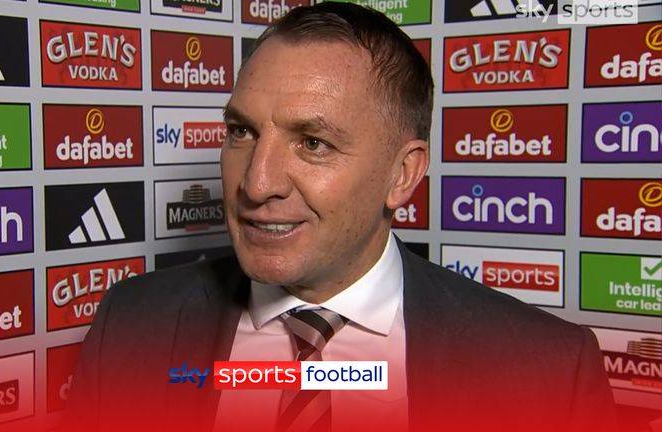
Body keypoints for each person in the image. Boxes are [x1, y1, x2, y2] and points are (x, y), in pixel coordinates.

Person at [64, 3, 617, 432]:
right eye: (242, 132)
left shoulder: (549, 373)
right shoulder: (131, 326)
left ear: (402, 174)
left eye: (313, 143)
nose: (257, 183)